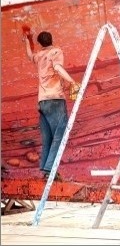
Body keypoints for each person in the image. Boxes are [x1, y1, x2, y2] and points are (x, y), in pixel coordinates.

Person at [23, 29, 80, 179]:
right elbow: (58, 68)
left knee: (47, 137)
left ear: (40, 43)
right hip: (55, 99)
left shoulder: (39, 55)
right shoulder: (56, 51)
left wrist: (27, 40)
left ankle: (44, 168)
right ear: (51, 40)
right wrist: (72, 81)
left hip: (42, 102)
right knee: (59, 135)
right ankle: (49, 169)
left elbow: (30, 55)